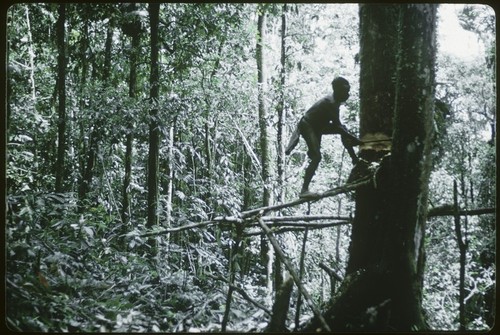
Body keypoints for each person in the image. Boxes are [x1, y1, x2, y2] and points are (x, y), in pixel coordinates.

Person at [285, 77, 362, 198]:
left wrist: (351, 138)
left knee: (344, 129)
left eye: (348, 91)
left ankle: (355, 159)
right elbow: (337, 125)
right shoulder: (329, 103)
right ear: (337, 91)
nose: (347, 94)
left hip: (319, 126)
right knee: (316, 157)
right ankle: (304, 190)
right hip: (308, 125)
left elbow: (339, 127)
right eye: (345, 91)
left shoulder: (335, 103)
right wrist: (354, 139)